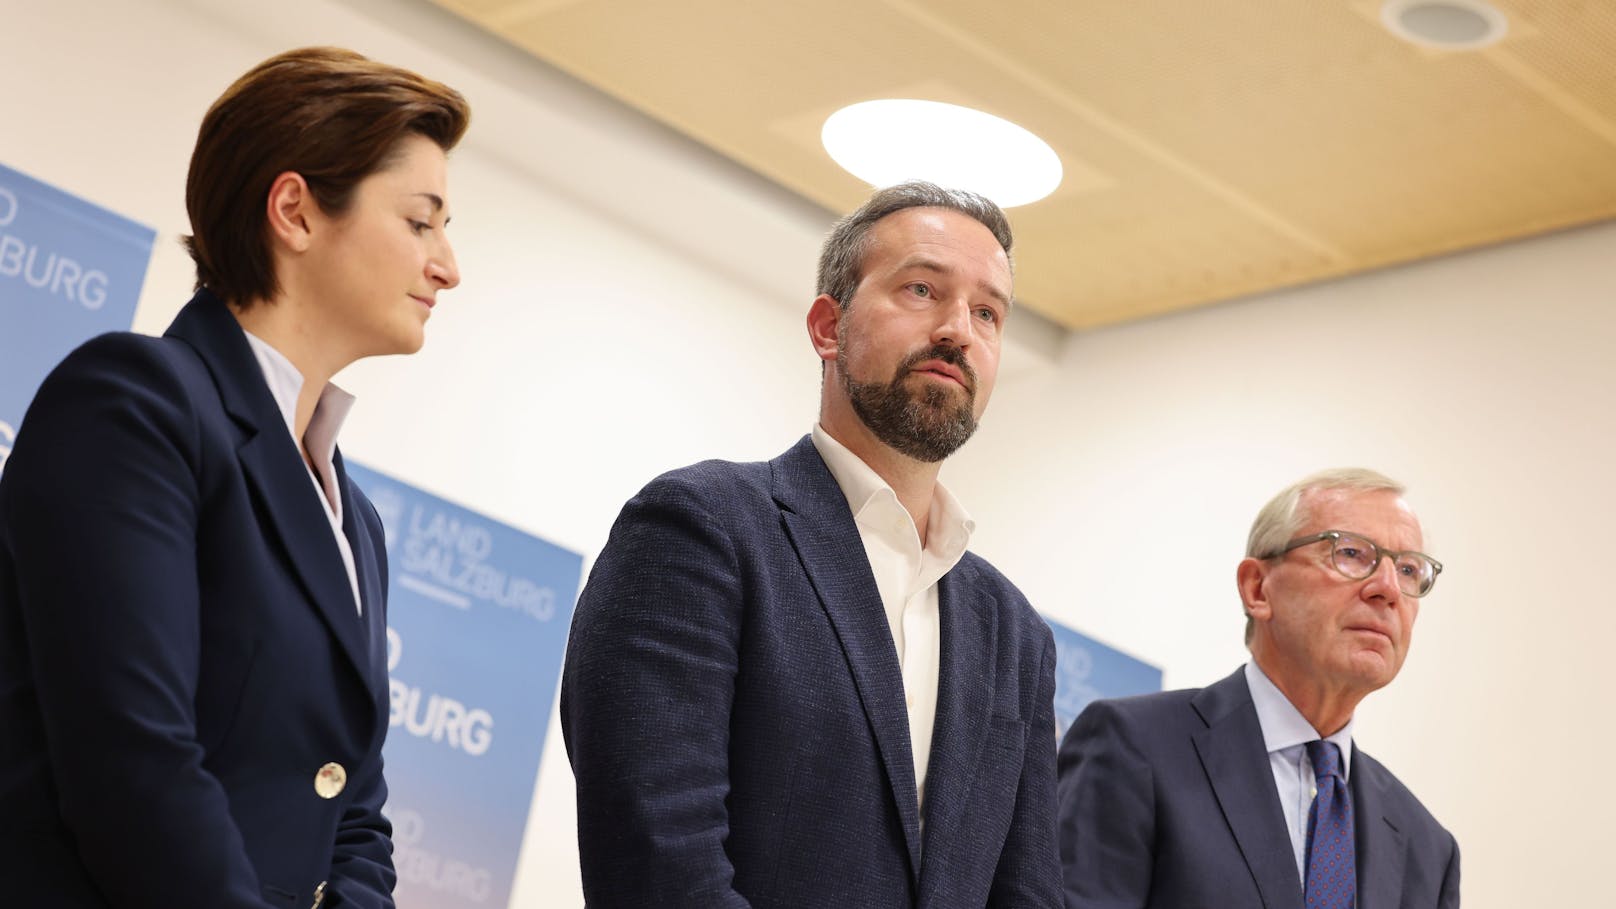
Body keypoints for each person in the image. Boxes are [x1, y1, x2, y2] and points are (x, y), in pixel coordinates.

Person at [0, 47, 467, 908]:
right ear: (294, 210)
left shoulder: (353, 517)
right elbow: (132, 764)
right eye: (420, 221)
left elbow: (355, 817)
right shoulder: (137, 403)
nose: (448, 264)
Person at [562, 181, 1060, 907]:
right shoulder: (701, 530)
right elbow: (657, 860)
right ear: (828, 326)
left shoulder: (1016, 635)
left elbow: (1028, 893)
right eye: (923, 289)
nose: (959, 328)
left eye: (988, 312)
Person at [1056, 469, 1460, 908]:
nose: (1387, 590)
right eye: (1350, 553)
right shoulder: (1132, 745)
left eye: (1408, 569)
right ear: (1257, 588)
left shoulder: (1428, 850)